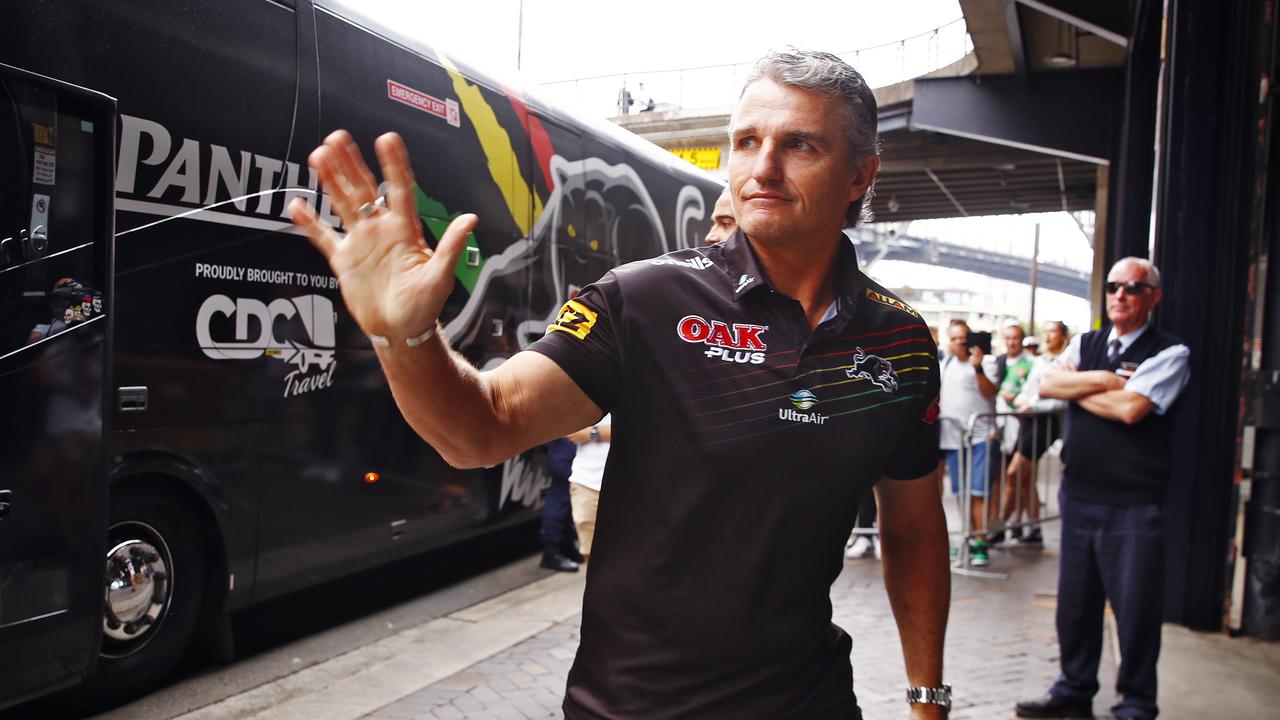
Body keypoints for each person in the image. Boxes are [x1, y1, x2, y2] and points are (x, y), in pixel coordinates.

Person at [290, 48, 951, 719]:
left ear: (859, 174)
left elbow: (916, 530)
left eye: (799, 144)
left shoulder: (900, 342)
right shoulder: (645, 299)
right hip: (634, 706)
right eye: (747, 141)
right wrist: (405, 339)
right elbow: (480, 428)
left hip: (810, 702)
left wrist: (928, 700)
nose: (763, 168)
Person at [1016, 258, 1190, 720]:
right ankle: (1073, 689)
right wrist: (1106, 380)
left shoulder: (1170, 352)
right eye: (1114, 286)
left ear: (1153, 296)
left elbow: (1133, 411)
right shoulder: (1088, 344)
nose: (1120, 294)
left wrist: (1079, 389)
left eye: (1133, 287)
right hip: (1078, 497)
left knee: (1134, 610)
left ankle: (1135, 702)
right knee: (1075, 604)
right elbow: (1047, 383)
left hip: (1133, 504)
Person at [1001, 320, 1070, 545]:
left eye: (1052, 332)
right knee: (1026, 478)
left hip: (1044, 423)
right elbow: (1028, 389)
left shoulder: (1066, 361)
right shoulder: (1040, 362)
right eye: (1046, 331)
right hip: (1029, 421)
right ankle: (1034, 528)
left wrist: (1033, 406)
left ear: (1062, 336)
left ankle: (999, 526)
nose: (1048, 336)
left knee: (1014, 473)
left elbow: (1061, 396)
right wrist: (1022, 402)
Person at [940, 320, 999, 566]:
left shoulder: (987, 363)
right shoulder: (946, 363)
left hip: (981, 436)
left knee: (978, 493)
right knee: (960, 493)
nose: (959, 343)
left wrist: (978, 368)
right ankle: (966, 537)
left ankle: (980, 541)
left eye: (963, 338)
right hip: (953, 439)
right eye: (954, 339)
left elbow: (990, 392)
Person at [990, 322, 1034, 544]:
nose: (1011, 342)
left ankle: (1000, 527)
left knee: (1015, 477)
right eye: (1007, 338)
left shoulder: (1032, 363)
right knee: (1018, 480)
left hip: (1024, 428)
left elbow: (1035, 396)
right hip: (1001, 428)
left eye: (1015, 338)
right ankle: (1028, 527)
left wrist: (1017, 405)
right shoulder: (998, 362)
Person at [566, 414, 610, 564]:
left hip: (628, 481)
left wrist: (593, 433)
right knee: (591, 555)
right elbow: (572, 432)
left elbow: (639, 429)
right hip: (585, 483)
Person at [540, 437, 581, 572]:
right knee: (560, 500)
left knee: (568, 501)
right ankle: (552, 551)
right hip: (565, 447)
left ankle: (565, 545)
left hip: (568, 446)